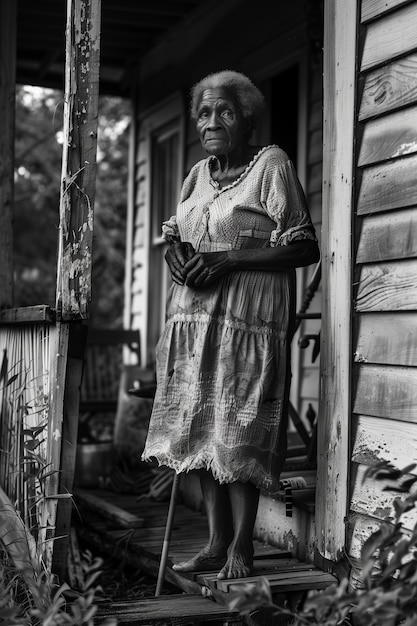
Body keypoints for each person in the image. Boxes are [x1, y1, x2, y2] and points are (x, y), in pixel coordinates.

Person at [142, 70, 320, 580]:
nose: (211, 121)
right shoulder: (199, 174)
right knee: (198, 433)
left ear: (246, 117)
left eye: (224, 111)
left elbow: (303, 243)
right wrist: (176, 253)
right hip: (193, 325)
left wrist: (230, 260)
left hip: (246, 327)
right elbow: (177, 229)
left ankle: (244, 547)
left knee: (235, 430)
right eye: (203, 112)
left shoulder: (272, 165)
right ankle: (216, 543)